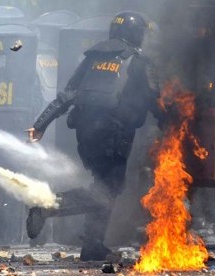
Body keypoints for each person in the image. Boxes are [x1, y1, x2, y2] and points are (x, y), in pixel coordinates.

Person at [25, 11, 161, 261]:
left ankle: (92, 245)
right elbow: (155, 99)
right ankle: (51, 205)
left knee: (102, 185)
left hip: (87, 137)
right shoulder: (138, 62)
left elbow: (67, 95)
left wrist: (40, 124)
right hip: (115, 136)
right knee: (106, 192)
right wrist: (171, 123)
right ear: (135, 34)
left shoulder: (94, 56)